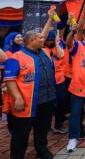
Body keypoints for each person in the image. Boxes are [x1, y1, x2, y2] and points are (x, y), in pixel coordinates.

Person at [3, 27, 62, 159]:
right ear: (31, 40)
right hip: (26, 102)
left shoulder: (46, 52)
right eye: (40, 38)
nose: (44, 39)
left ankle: (42, 150)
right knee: (21, 133)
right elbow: (9, 79)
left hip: (47, 99)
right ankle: (17, 156)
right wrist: (17, 97)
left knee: (42, 129)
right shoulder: (15, 57)